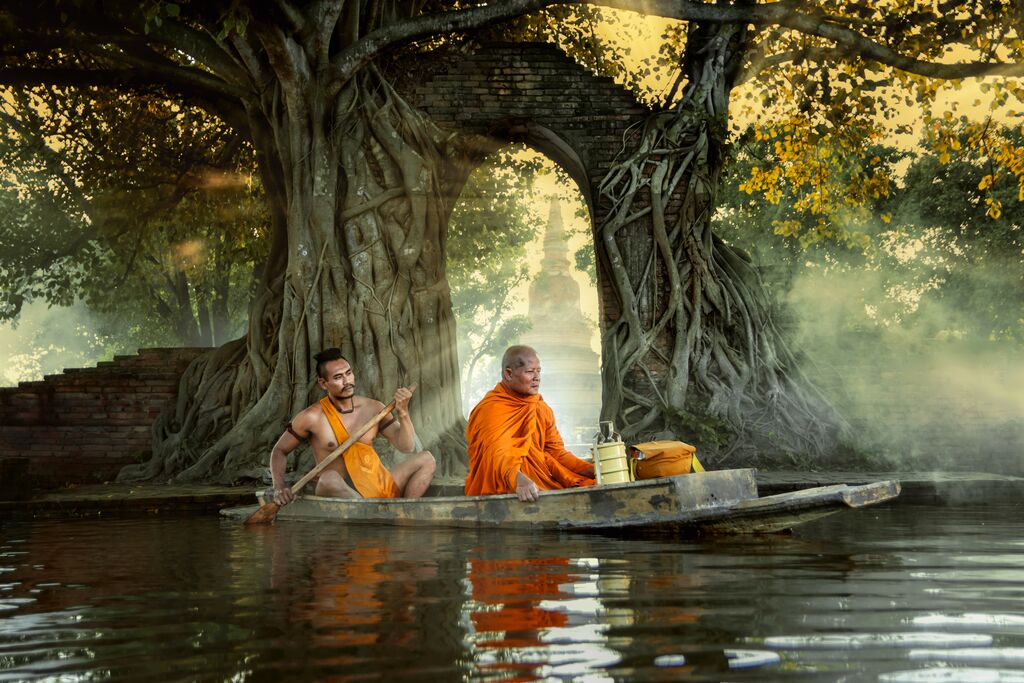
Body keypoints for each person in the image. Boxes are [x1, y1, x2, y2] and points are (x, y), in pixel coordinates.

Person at [269, 348, 435, 506]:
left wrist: (403, 414)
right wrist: (278, 488)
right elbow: (279, 451)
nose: (347, 381)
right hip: (338, 489)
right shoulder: (311, 417)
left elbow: (407, 447)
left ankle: (403, 512)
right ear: (323, 383)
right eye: (338, 377)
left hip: (376, 483)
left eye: (348, 373)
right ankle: (372, 511)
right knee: (328, 479)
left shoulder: (374, 408)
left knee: (427, 459)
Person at [465, 344, 595, 502]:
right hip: (508, 487)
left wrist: (591, 470)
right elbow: (496, 454)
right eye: (530, 372)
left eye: (538, 371)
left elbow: (557, 452)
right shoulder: (491, 409)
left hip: (540, 483)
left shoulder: (540, 408)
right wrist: (518, 479)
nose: (537, 377)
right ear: (508, 374)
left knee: (588, 482)